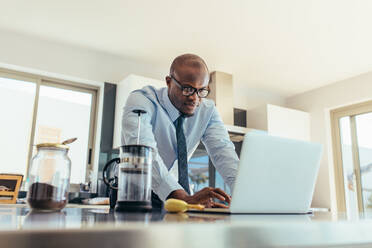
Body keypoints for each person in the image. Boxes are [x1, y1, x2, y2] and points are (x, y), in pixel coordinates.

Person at [121, 54, 239, 208]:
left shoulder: (207, 111)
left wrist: (245, 195)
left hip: (176, 197)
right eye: (188, 89)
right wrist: (183, 197)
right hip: (134, 196)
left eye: (201, 91)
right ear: (169, 82)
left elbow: (223, 152)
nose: (194, 98)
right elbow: (143, 152)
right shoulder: (142, 100)